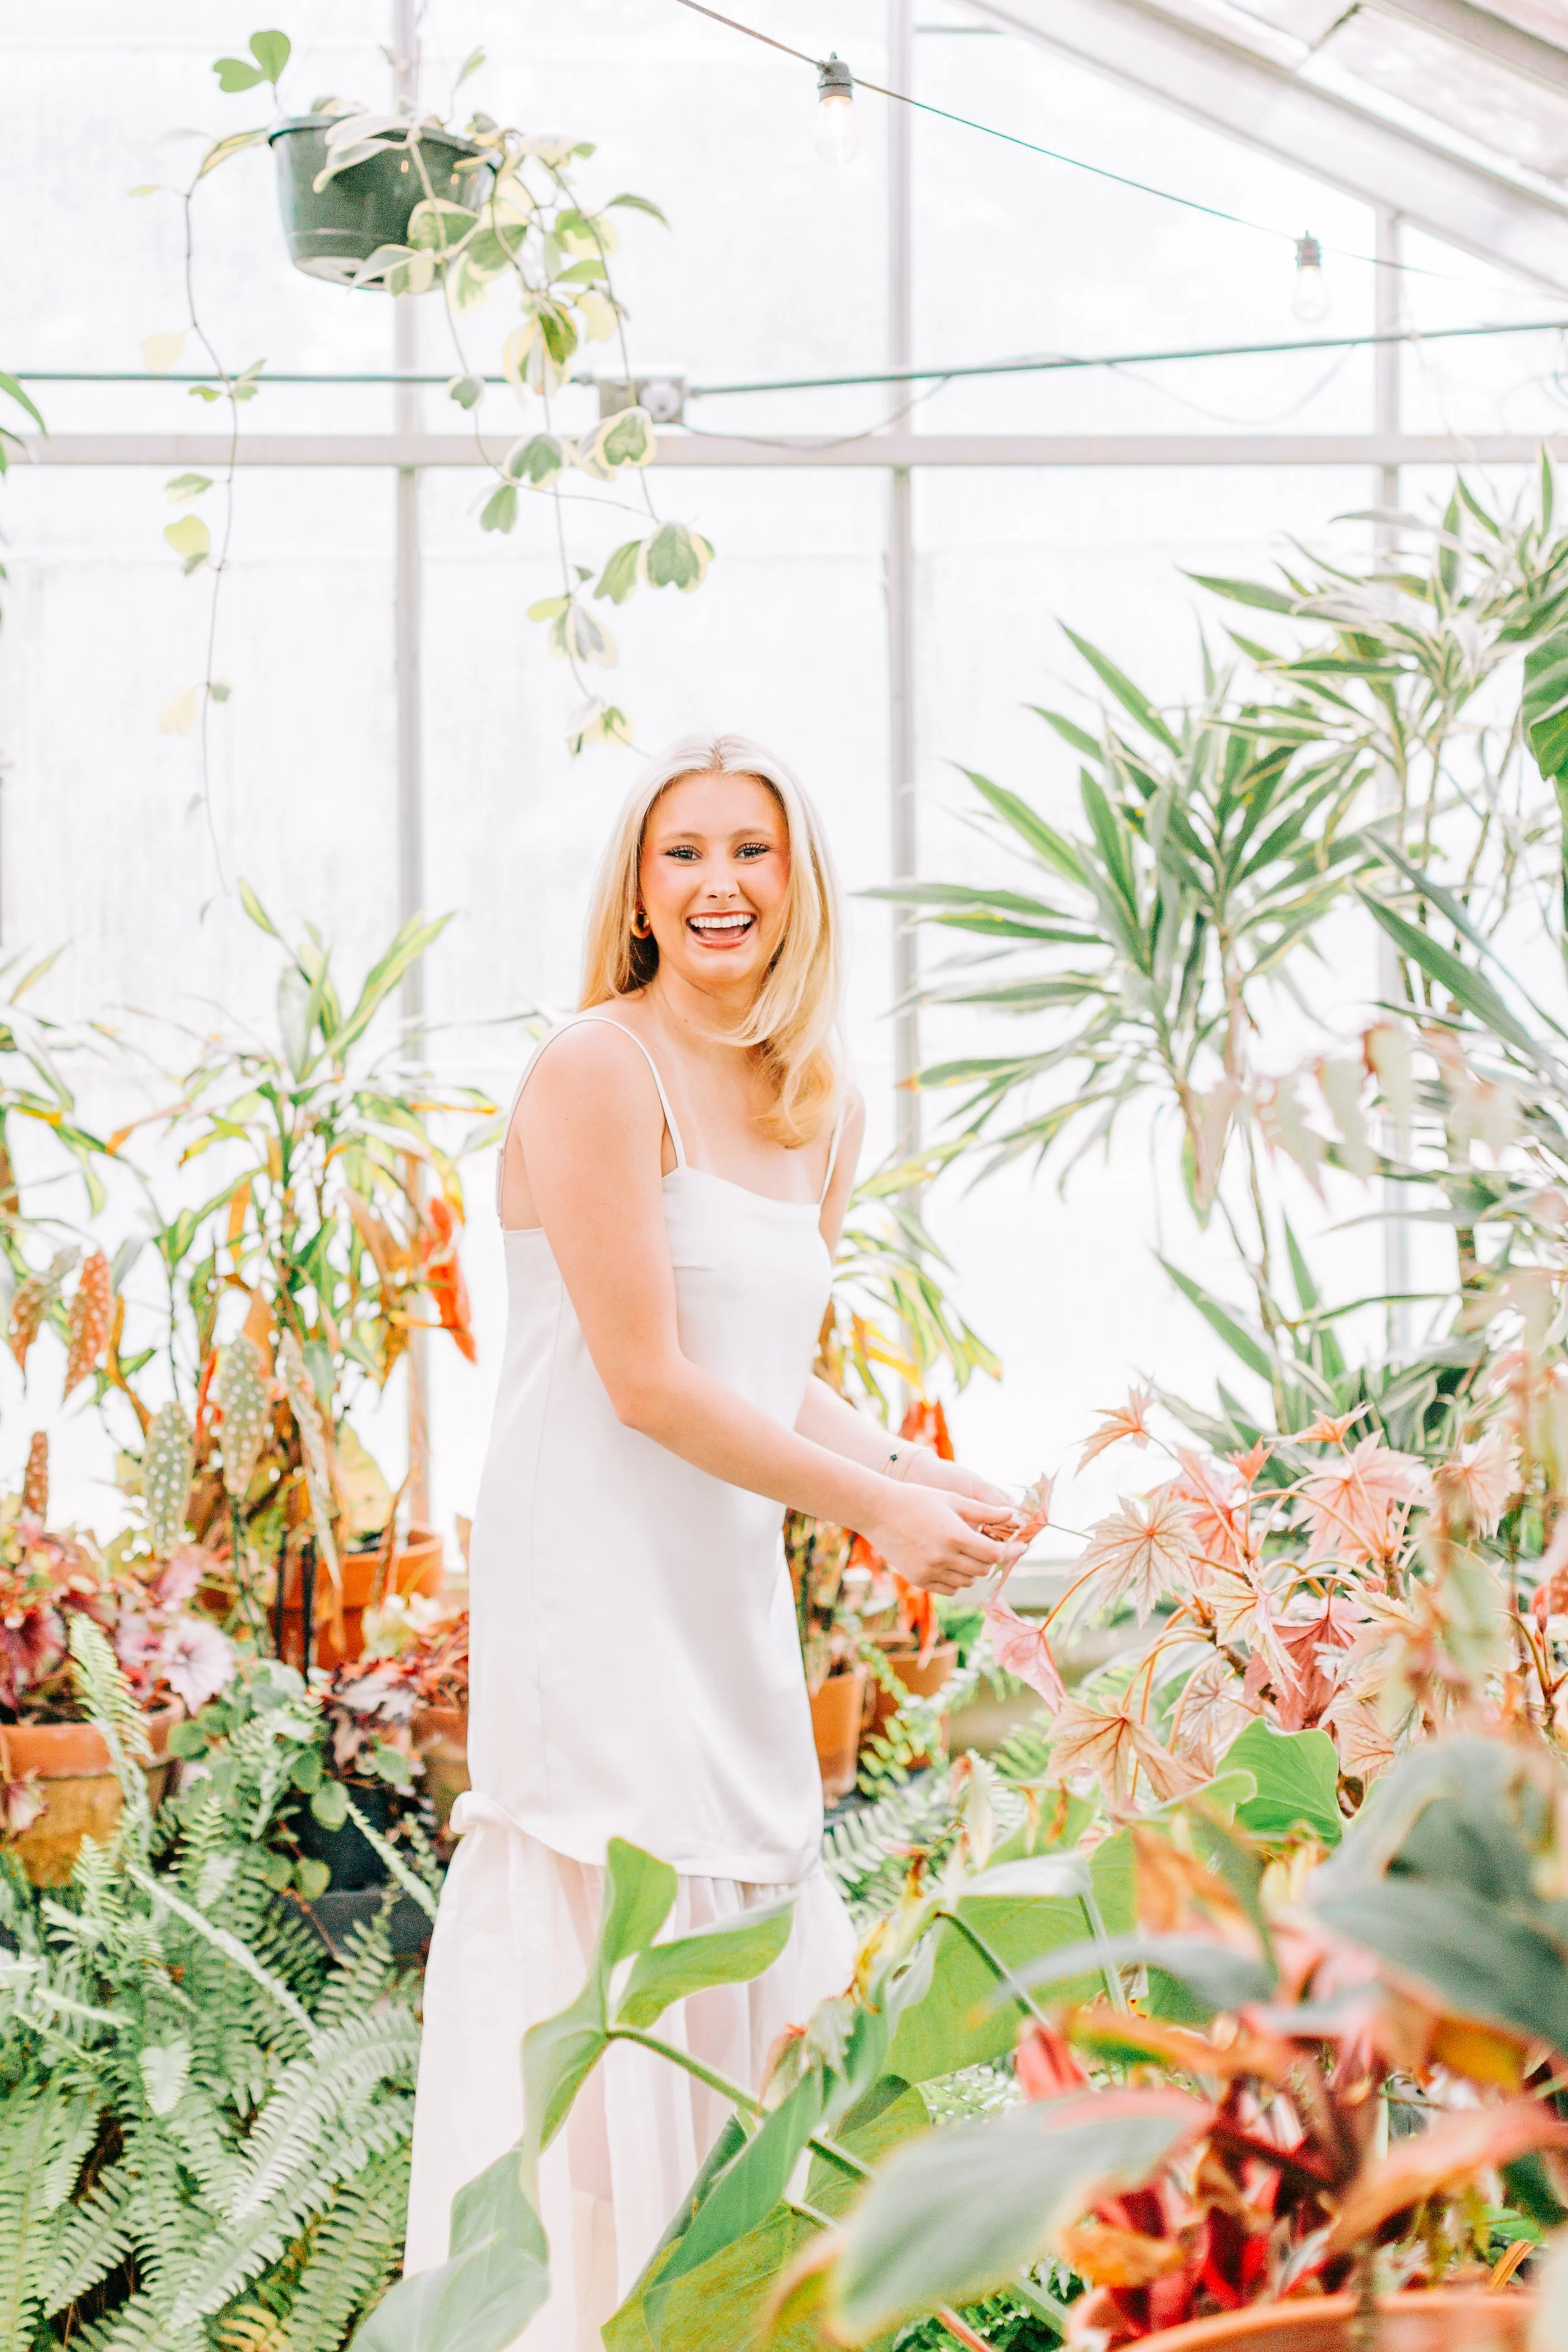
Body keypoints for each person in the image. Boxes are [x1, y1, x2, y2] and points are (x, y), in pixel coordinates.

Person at [404, 733, 1022, 2348]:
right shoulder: (594, 1069)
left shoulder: (819, 1102)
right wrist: (879, 1511)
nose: (718, 883)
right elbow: (646, 1378)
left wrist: (921, 1473)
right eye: (683, 854)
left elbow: (765, 1365)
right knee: (610, 2004)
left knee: (751, 1960)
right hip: (591, 1604)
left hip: (720, 1597)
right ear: (637, 890)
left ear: (795, 878)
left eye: (749, 851)